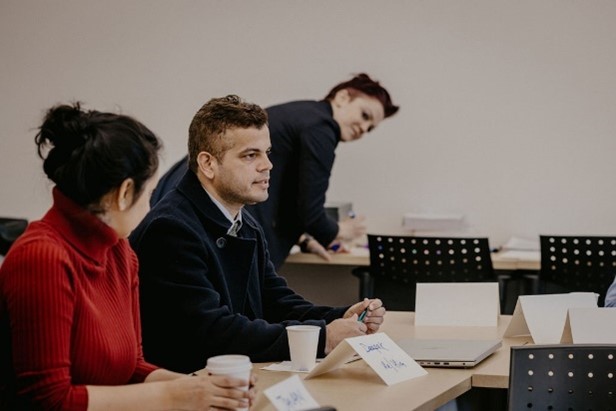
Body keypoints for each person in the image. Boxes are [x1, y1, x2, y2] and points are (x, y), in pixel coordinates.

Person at [0, 103, 253, 410]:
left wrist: (202, 388)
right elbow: (50, 400)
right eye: (148, 195)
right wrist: (177, 396)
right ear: (123, 193)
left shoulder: (120, 252)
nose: (149, 208)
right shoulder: (42, 257)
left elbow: (131, 367)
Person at [130, 95, 386, 373]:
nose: (267, 165)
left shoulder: (245, 222)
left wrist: (339, 317)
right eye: (250, 155)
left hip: (229, 378)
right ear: (208, 164)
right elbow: (213, 331)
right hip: (188, 385)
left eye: (267, 153)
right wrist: (323, 337)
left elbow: (275, 300)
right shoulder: (172, 229)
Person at [150, 73, 399, 269]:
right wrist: (340, 231)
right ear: (343, 98)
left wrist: (304, 238)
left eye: (370, 128)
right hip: (203, 210)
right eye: (365, 115)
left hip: (183, 190)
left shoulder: (303, 114)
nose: (363, 128)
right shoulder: (321, 127)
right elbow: (310, 211)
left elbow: (289, 197)